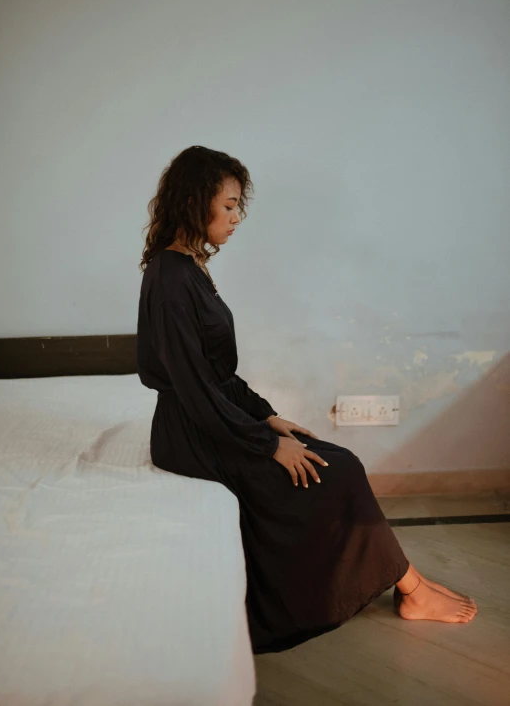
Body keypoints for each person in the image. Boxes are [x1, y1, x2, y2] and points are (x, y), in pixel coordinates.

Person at [136, 145, 477, 654]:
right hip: (189, 431)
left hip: (212, 417)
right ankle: (413, 589)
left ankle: (410, 585)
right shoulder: (170, 276)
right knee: (332, 470)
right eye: (229, 206)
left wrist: (269, 418)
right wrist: (263, 444)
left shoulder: (192, 268)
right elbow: (195, 388)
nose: (237, 217)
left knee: (336, 459)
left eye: (238, 207)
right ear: (195, 200)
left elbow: (218, 376)